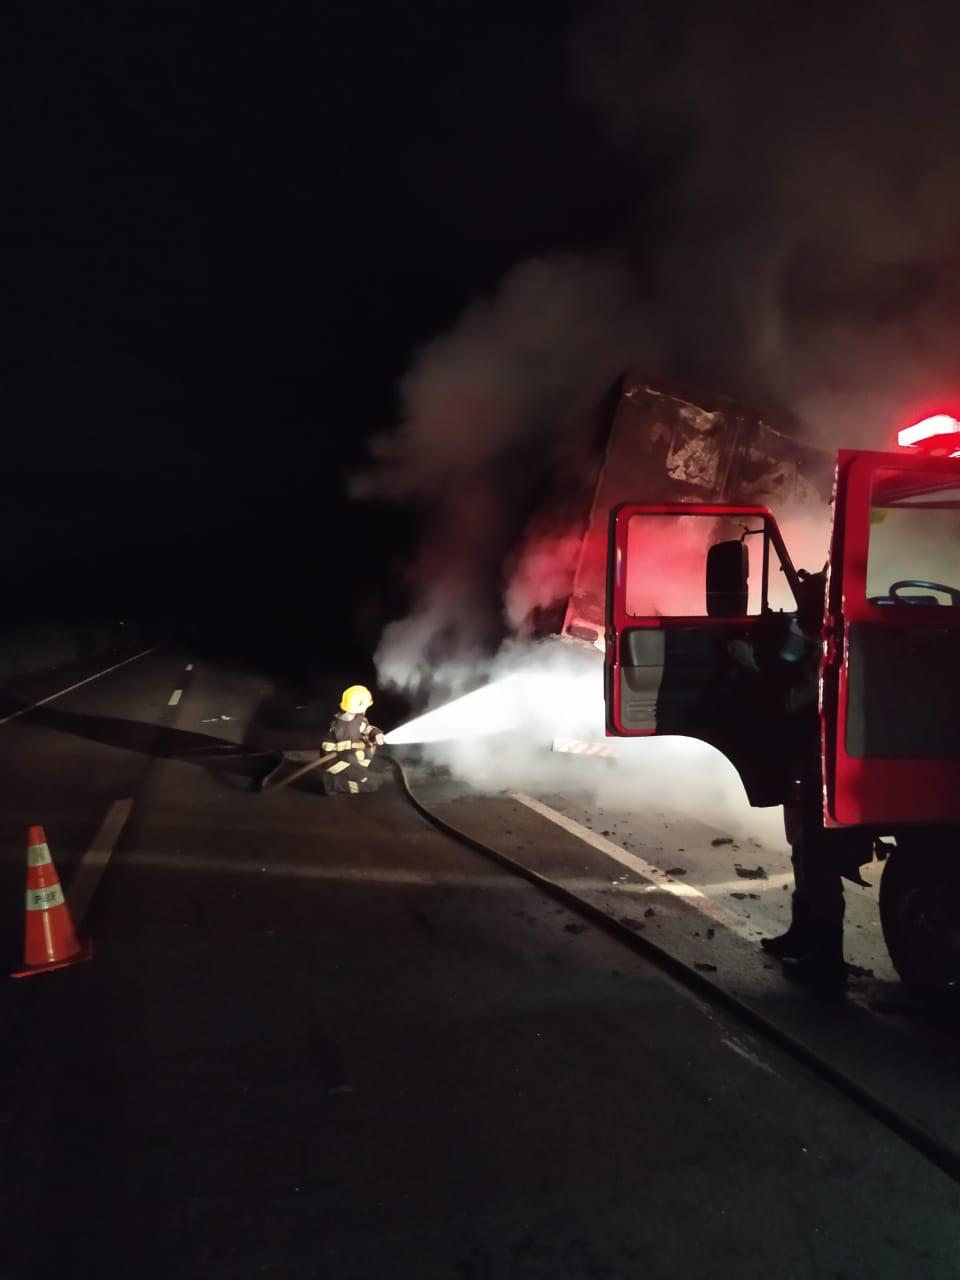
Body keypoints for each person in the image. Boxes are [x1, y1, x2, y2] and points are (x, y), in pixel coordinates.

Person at [760, 568, 872, 995]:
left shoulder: (827, 646)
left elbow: (792, 697)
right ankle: (804, 936)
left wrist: (750, 663)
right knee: (804, 851)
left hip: (825, 771)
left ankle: (827, 961)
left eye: (810, 593)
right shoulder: (810, 637)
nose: (802, 598)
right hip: (810, 765)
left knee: (819, 860)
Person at [320, 684, 385, 795]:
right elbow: (348, 755)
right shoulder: (345, 727)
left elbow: (366, 727)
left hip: (348, 757)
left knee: (368, 774)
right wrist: (362, 776)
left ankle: (346, 778)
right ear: (360, 705)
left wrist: (376, 733)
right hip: (337, 762)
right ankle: (334, 785)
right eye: (366, 705)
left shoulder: (355, 717)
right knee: (370, 785)